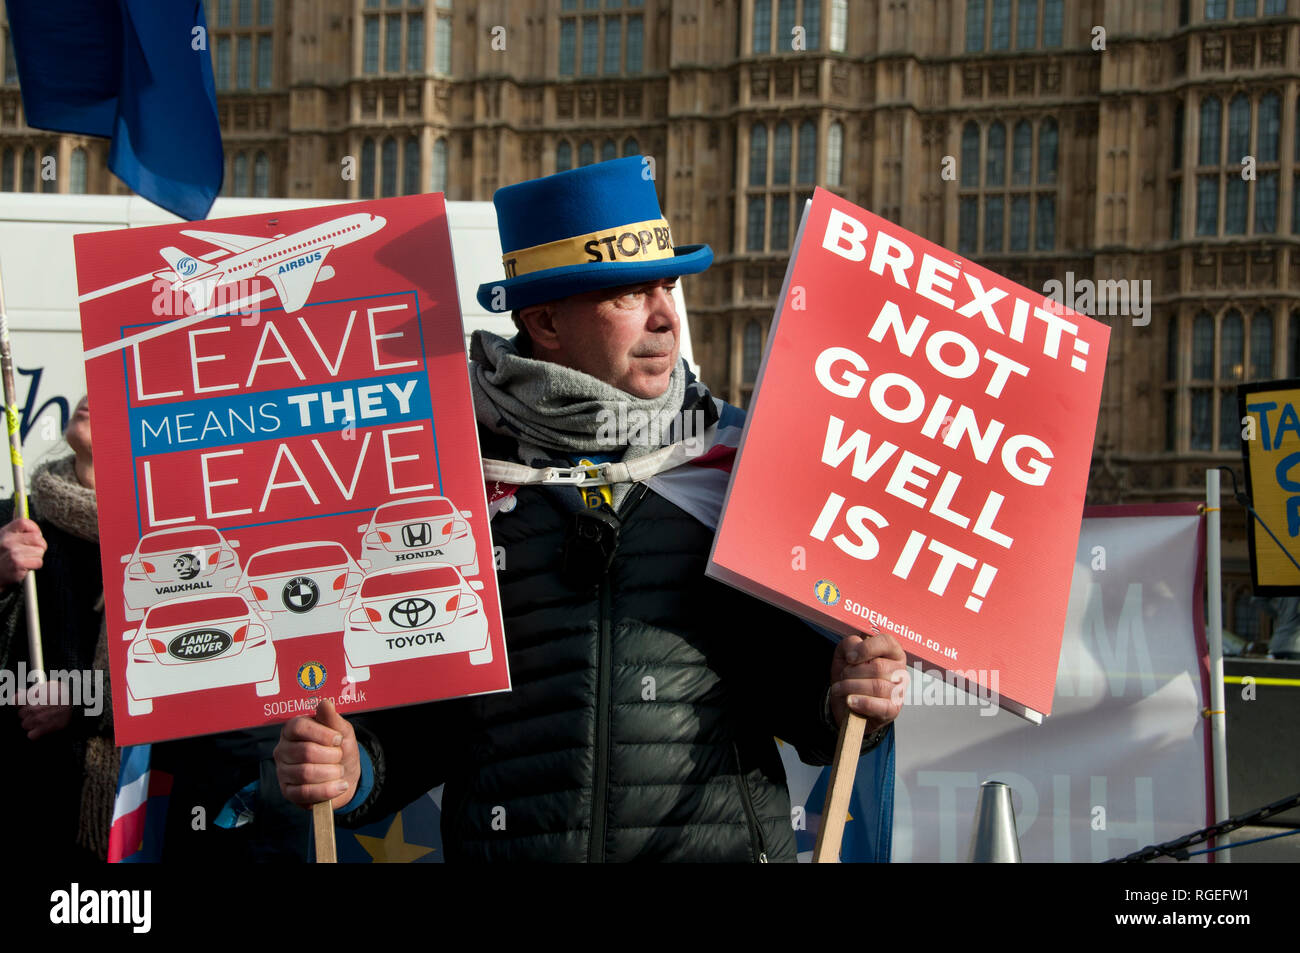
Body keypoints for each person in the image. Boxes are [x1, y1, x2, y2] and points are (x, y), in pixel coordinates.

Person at [274, 157, 907, 861]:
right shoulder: (446, 481)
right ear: (544, 320)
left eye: (667, 285)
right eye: (628, 295)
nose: (668, 317)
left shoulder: (728, 463)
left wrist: (846, 693)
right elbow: (432, 722)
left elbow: (800, 701)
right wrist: (357, 765)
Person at [0, 395, 117, 861]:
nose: (92, 392)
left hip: (135, 806)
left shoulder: (176, 539)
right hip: (26, 799)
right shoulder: (15, 520)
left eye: (110, 387)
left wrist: (85, 702)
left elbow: (195, 675)